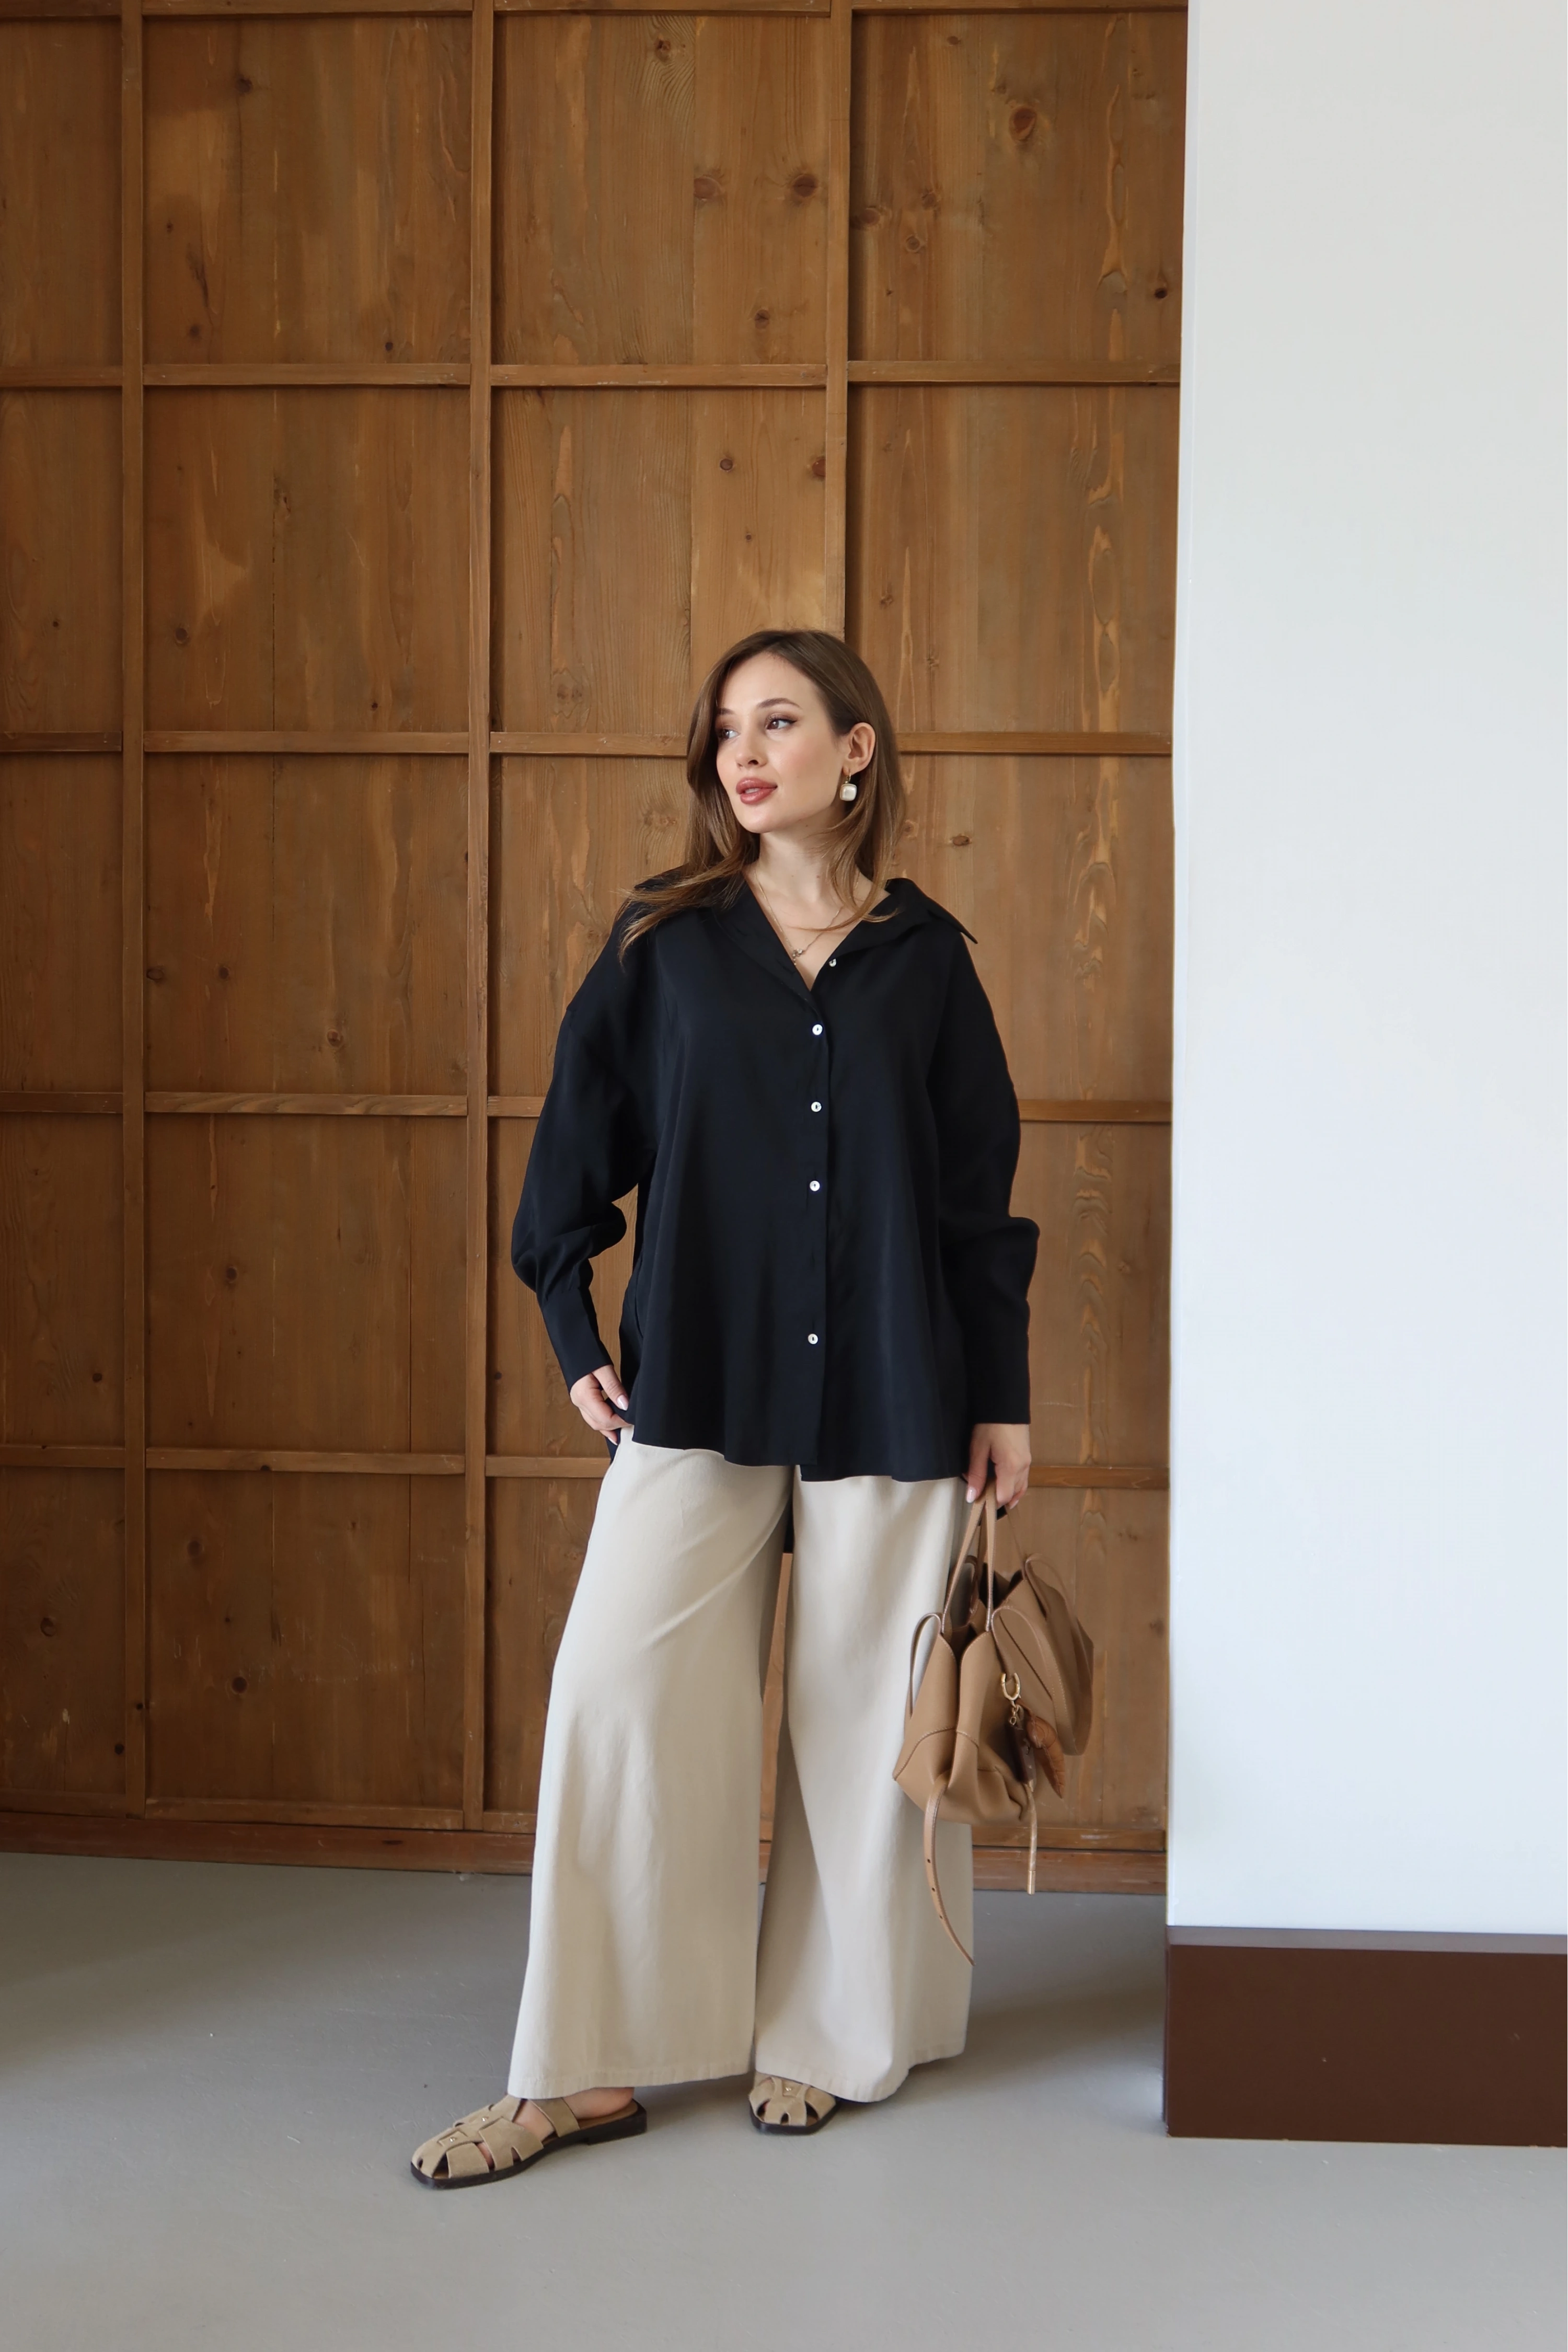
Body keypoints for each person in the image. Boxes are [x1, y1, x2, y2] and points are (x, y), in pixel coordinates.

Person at [411, 628, 1037, 2186]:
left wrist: (1003, 1398)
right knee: (617, 1698)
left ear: (856, 748)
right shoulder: (666, 942)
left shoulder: (930, 959)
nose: (742, 755)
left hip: (896, 1383)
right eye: (725, 731)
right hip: (700, 1373)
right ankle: (585, 2070)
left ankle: (827, 2036)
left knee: (865, 1724)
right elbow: (574, 1145)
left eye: (777, 722)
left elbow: (977, 1202)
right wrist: (572, 1319)